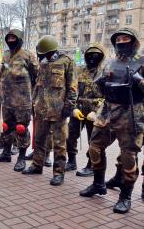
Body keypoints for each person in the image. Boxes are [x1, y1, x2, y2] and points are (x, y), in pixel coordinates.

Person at [79, 28, 144, 214]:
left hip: (131, 114)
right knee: (95, 147)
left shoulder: (141, 62)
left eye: (126, 38)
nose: (122, 42)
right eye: (119, 39)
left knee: (128, 156)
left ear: (133, 41)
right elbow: (101, 89)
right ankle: (98, 184)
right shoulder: (109, 63)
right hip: (107, 111)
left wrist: (139, 80)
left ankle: (126, 196)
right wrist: (101, 83)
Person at [22, 35, 77, 186]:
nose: (42, 56)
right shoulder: (43, 63)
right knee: (39, 139)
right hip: (40, 109)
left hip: (58, 110)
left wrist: (68, 107)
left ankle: (59, 173)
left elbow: (72, 87)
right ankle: (36, 165)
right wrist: (34, 103)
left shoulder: (66, 62)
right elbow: (37, 86)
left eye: (43, 53)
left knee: (59, 143)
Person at [0, 30, 38, 172]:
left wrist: (32, 97)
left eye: (14, 38)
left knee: (21, 129)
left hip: (22, 101)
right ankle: (6, 153)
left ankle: (21, 158)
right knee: (6, 127)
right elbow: (1, 76)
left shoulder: (28, 55)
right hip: (7, 100)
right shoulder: (5, 55)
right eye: (9, 38)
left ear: (20, 39)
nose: (11, 40)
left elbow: (36, 76)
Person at [65, 45, 105, 177]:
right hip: (79, 109)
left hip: (94, 113)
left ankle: (91, 165)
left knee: (93, 140)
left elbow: (107, 96)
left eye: (96, 55)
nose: (92, 58)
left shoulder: (104, 73)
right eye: (90, 55)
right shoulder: (80, 71)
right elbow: (73, 90)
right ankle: (71, 161)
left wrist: (96, 111)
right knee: (70, 136)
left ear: (101, 57)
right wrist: (74, 108)